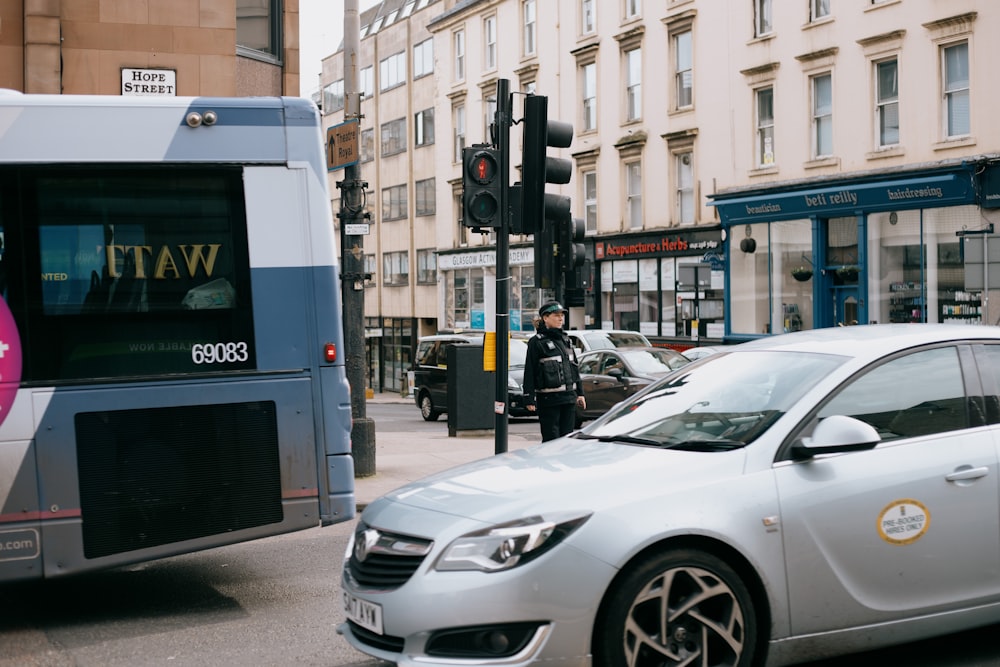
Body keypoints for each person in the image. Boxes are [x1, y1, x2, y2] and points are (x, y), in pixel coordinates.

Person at [523, 300, 586, 441]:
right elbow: (530, 370)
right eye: (556, 315)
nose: (560, 318)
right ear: (545, 318)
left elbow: (574, 367)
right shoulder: (537, 342)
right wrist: (529, 398)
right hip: (548, 400)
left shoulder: (566, 340)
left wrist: (580, 393)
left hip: (568, 398)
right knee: (551, 439)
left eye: (562, 315)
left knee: (566, 439)